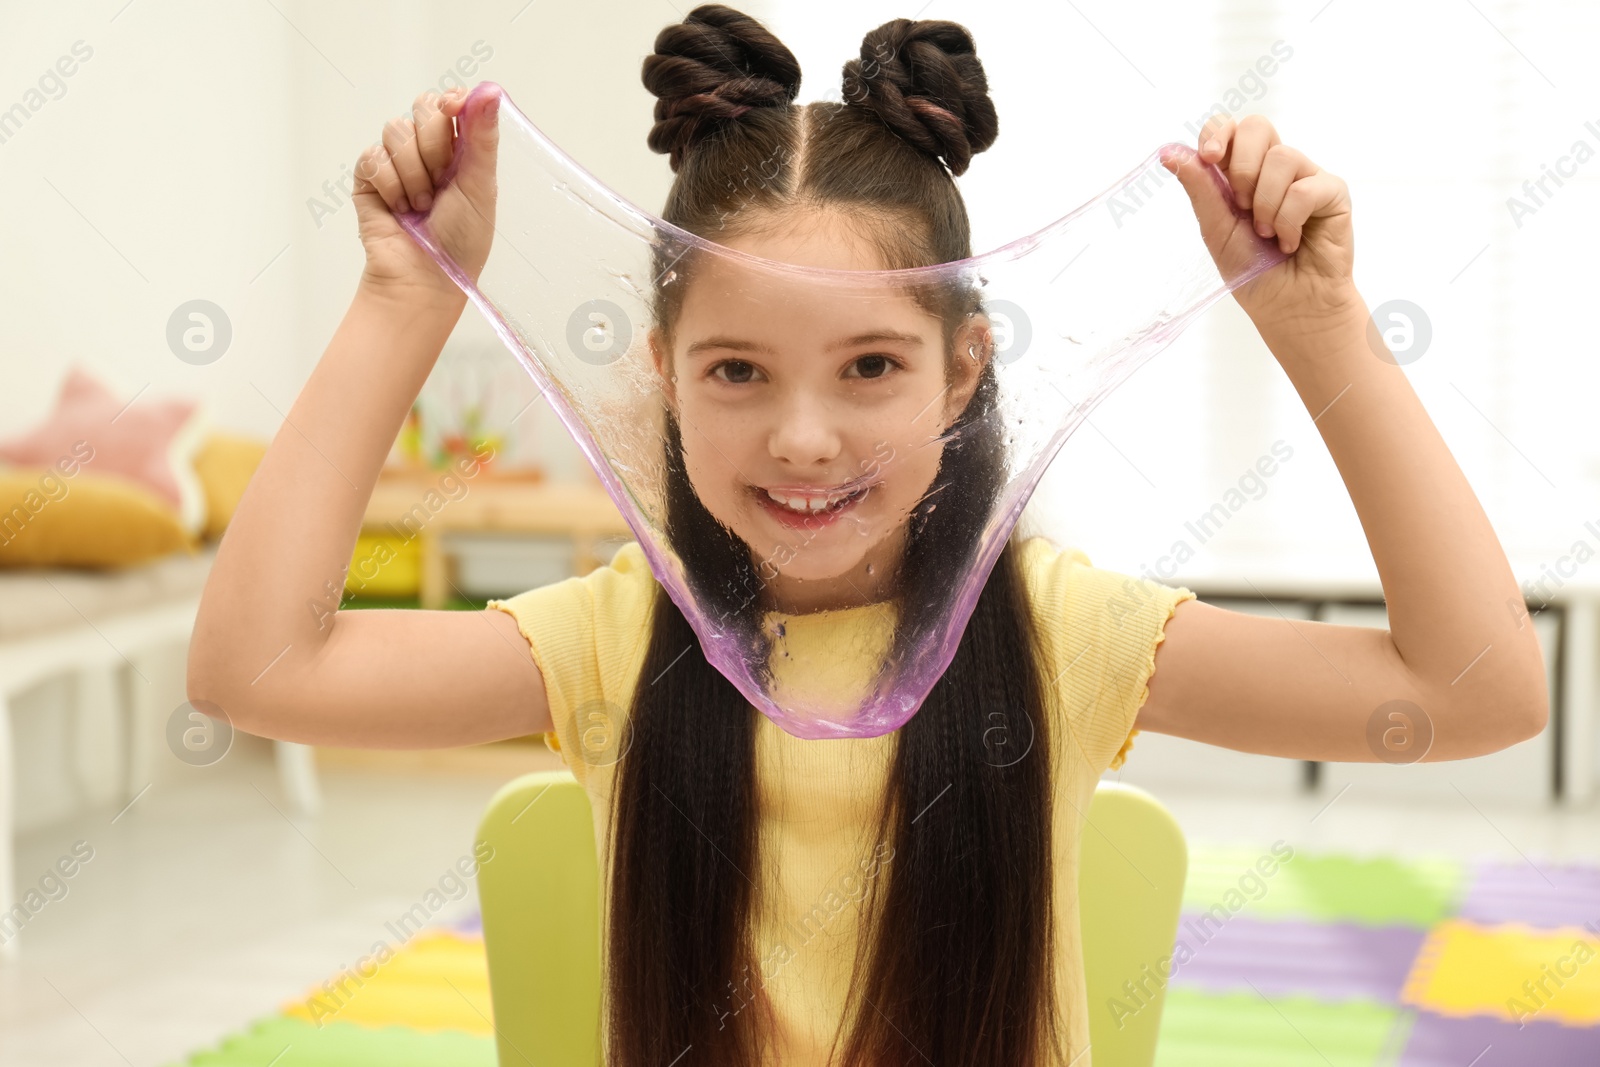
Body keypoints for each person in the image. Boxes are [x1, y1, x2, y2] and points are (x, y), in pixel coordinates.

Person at [187, 6, 1549, 1065]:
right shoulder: (614, 637)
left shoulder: (1063, 630)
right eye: (736, 372)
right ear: (662, 368)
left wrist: (1319, 325)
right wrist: (402, 299)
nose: (803, 438)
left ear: (960, 372)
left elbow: (1475, 693)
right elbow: (255, 671)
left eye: (869, 369)